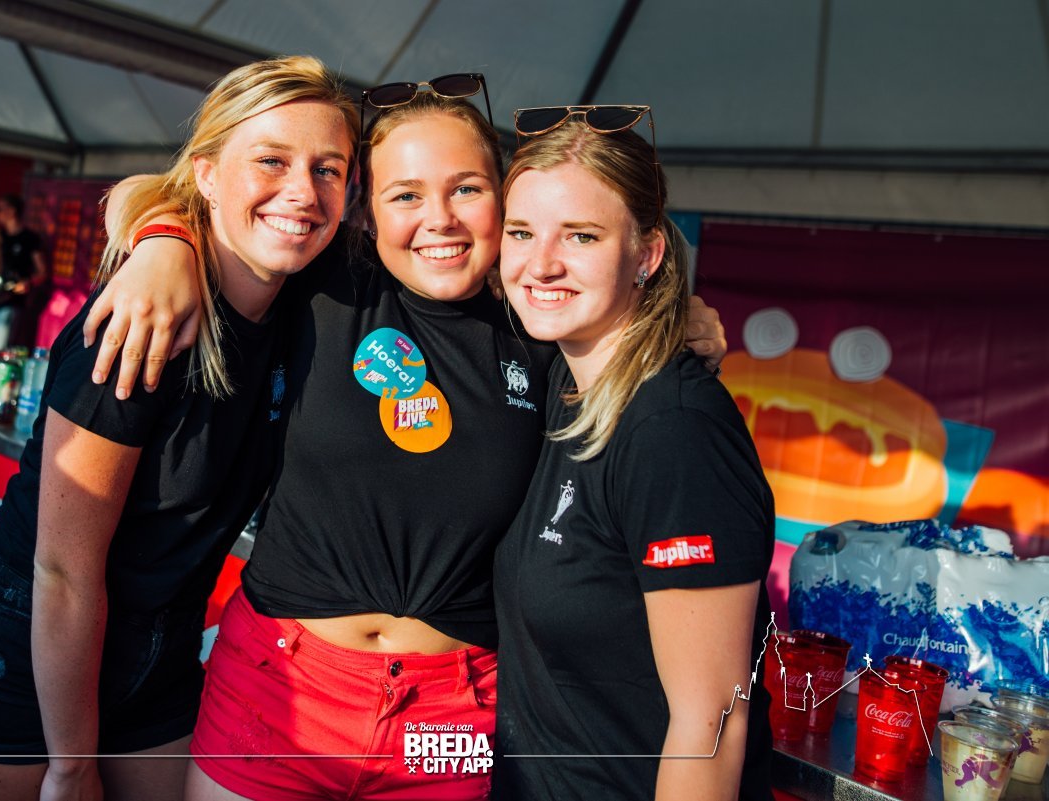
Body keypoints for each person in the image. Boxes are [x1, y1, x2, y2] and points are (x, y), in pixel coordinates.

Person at [87, 84, 729, 801]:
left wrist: (680, 315)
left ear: (503, 200)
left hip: (453, 715)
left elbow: (625, 308)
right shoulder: (325, 281)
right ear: (366, 209)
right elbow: (173, 195)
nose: (439, 219)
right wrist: (163, 244)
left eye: (467, 189)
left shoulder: (543, 325)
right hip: (278, 686)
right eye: (406, 195)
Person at [0, 55, 357, 801]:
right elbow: (62, 570)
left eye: (329, 169)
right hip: (28, 650)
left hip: (164, 646)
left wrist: (162, 235)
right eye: (271, 160)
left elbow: (140, 192)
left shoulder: (307, 297)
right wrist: (71, 763)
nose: (304, 192)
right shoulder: (141, 325)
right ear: (208, 173)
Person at [490, 110, 774, 800]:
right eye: (521, 232)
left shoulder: (673, 432)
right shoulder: (565, 374)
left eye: (581, 235)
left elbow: (714, 720)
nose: (541, 263)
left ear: (646, 254)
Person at [0, 193, 49, 350]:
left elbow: (42, 272)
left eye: (0, 209)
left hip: (13, 300)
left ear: (12, 211)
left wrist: (27, 283)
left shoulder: (30, 238)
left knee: (1, 345)